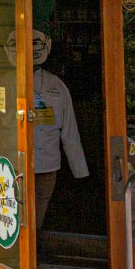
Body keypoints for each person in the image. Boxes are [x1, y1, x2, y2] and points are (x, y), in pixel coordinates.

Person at [19, 29, 86, 233]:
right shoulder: (6, 82)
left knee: (40, 204)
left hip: (48, 162)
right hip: (15, 162)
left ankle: (34, 242)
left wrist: (80, 170)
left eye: (37, 43)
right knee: (16, 203)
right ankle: (19, 247)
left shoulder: (57, 85)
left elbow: (69, 130)